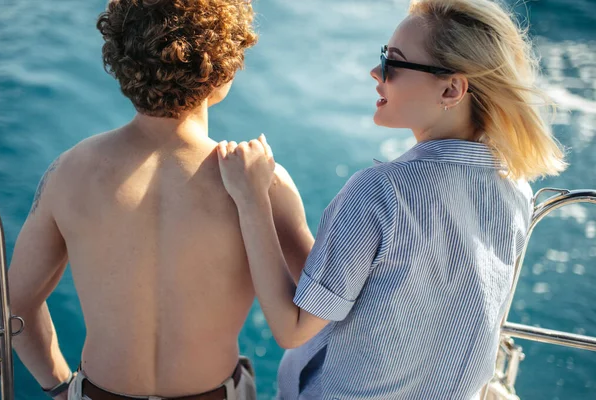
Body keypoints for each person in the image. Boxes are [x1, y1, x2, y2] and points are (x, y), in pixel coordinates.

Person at [216, 0, 567, 398]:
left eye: (394, 64)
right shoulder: (515, 191)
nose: (375, 72)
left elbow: (291, 329)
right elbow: (378, 293)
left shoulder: (381, 190)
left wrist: (252, 201)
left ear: (451, 88)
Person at [8, 1, 313, 399]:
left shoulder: (69, 173)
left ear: (122, 61)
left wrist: (60, 386)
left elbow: (16, 307)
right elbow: (315, 310)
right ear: (224, 67)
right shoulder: (262, 182)